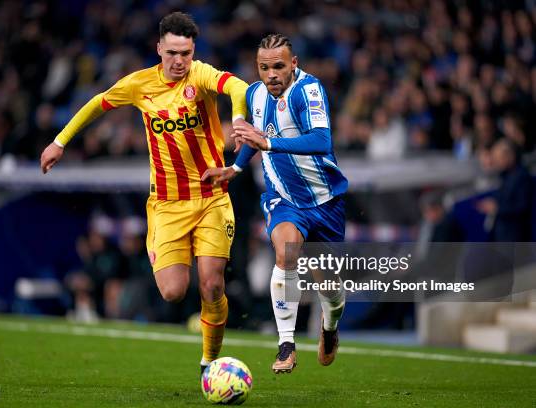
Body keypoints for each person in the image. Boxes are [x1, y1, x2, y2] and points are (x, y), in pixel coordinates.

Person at [40, 12, 249, 374]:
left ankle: (209, 362)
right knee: (172, 291)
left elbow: (238, 87)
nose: (179, 60)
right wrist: (60, 141)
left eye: (185, 53)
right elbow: (97, 103)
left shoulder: (200, 75)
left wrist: (241, 118)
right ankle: (162, 250)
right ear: (159, 49)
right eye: (172, 53)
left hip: (212, 197)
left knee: (212, 284)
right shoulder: (139, 85)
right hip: (167, 205)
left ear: (193, 50)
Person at [203, 34, 348, 373]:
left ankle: (330, 329)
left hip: (325, 200)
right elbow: (255, 138)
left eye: (279, 66)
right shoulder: (254, 94)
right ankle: (286, 344)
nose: (271, 74)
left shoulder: (308, 91)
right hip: (282, 198)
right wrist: (236, 167)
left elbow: (321, 139)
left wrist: (268, 142)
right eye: (264, 67)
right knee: (286, 252)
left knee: (328, 285)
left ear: (293, 64)